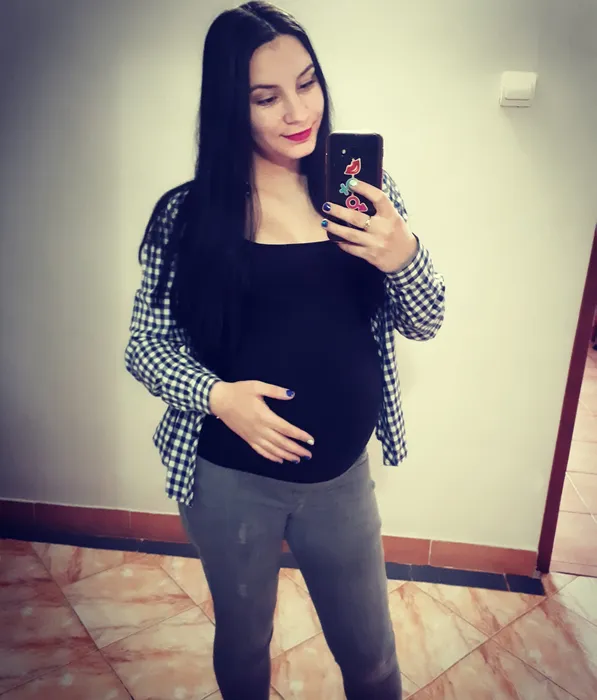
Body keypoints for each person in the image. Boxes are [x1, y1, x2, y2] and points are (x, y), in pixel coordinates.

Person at [124, 2, 445, 698]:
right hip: (229, 479)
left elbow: (426, 322)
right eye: (266, 97)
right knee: (244, 645)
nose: (298, 111)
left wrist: (404, 255)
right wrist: (218, 397)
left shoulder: (362, 197)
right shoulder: (187, 216)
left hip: (340, 479)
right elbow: (145, 346)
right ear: (228, 106)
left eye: (307, 83)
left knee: (372, 659)